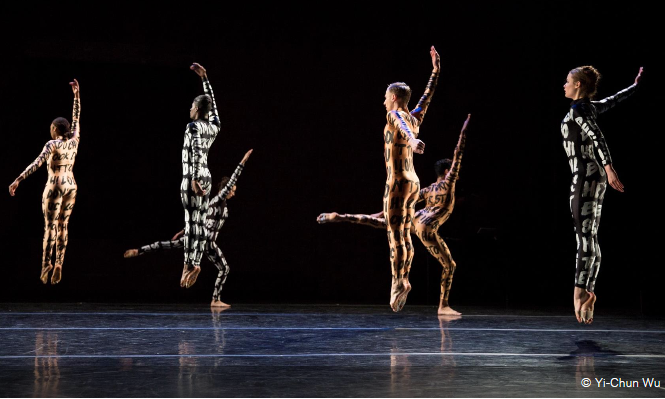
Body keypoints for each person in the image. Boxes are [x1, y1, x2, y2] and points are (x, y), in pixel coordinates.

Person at [319, 115, 469, 315]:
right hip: (427, 225)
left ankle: (343, 216)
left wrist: (381, 214)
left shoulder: (428, 190)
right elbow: (458, 153)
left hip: (415, 219)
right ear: (447, 170)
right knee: (450, 265)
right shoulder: (448, 183)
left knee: (383, 224)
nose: (457, 174)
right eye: (453, 171)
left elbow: (401, 205)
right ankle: (443, 306)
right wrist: (464, 131)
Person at [561, 66, 643, 324]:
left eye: (567, 81)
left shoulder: (578, 109)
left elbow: (597, 136)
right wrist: (634, 86)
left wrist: (609, 168)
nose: (563, 85)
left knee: (583, 237)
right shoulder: (588, 107)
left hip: (585, 177)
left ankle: (579, 294)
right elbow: (613, 100)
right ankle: (588, 290)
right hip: (593, 178)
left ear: (578, 85)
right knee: (590, 236)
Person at [124, 150, 252, 307]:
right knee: (224, 268)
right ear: (226, 189)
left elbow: (198, 219)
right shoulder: (219, 199)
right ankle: (213, 297)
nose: (233, 193)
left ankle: (140, 250)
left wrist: (185, 230)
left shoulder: (212, 202)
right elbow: (233, 179)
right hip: (207, 241)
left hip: (198, 236)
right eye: (232, 190)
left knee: (169, 244)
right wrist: (243, 161)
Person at [382, 45, 440, 312]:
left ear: (394, 97)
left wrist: (413, 139)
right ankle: (404, 278)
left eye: (386, 97)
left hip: (396, 183)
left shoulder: (396, 115)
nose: (384, 101)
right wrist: (435, 72)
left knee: (396, 236)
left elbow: (399, 124)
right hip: (413, 182)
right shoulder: (415, 116)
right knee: (406, 234)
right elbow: (426, 99)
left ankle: (398, 281)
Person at [8, 79, 81, 284]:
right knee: (63, 225)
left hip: (55, 185)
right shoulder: (74, 142)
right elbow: (77, 117)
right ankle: (60, 262)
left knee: (50, 226)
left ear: (55, 129)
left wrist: (18, 179)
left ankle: (46, 263)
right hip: (71, 185)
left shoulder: (52, 144)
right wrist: (76, 95)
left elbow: (37, 163)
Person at [180, 63, 221, 289]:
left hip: (193, 176)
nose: (190, 109)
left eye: (192, 106)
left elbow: (195, 149)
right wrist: (205, 78)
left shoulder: (193, 126)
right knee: (201, 223)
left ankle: (189, 263)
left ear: (196, 108)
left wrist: (194, 178)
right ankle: (195, 262)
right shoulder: (213, 127)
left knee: (190, 222)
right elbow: (214, 111)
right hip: (207, 175)